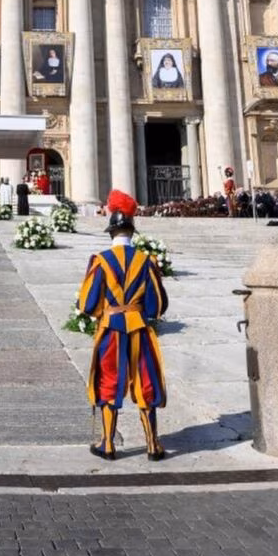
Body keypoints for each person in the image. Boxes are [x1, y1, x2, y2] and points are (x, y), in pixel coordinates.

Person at [77, 189, 168, 462]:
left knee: (109, 380)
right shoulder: (147, 261)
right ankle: (153, 445)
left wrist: (104, 311)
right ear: (132, 230)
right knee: (146, 380)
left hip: (112, 330)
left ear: (110, 232)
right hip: (139, 329)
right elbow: (157, 306)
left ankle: (108, 444)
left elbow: (87, 303)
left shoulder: (101, 261)